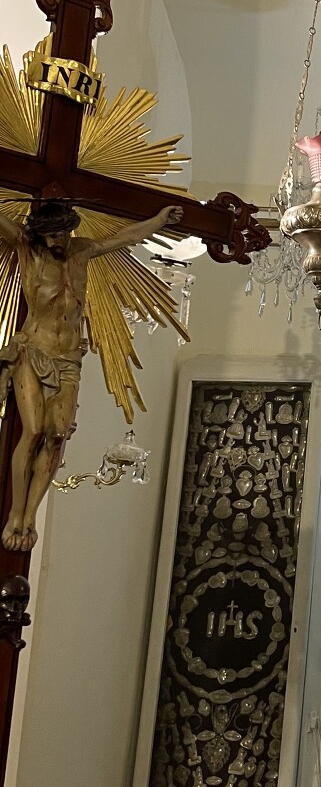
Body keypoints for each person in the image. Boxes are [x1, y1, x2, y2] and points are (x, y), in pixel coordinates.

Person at [0, 199, 183, 550]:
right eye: (50, 235)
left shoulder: (82, 251)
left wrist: (159, 220)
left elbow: (126, 237)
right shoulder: (28, 250)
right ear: (39, 234)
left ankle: (31, 516)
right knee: (33, 430)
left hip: (69, 359)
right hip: (34, 352)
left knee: (57, 435)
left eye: (61, 233)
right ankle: (15, 513)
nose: (56, 240)